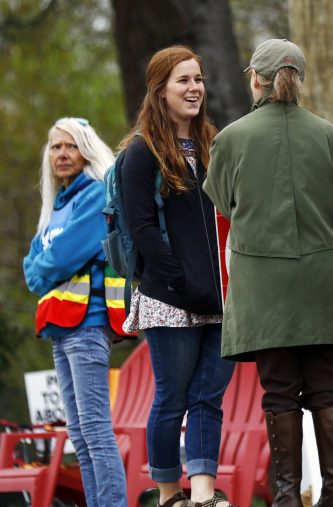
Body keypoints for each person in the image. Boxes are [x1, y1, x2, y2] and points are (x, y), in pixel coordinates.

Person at [203, 39, 333, 507]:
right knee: (327, 385)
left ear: (256, 79)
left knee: (278, 391)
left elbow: (222, 203)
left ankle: (288, 496)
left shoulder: (230, 138)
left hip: (263, 283)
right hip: (322, 282)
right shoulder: (330, 136)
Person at [119, 45, 235, 507]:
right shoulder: (141, 152)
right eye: (183, 80)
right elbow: (142, 228)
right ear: (159, 90)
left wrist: (225, 283)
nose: (194, 89)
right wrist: (184, 285)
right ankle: (169, 494)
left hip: (223, 297)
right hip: (170, 299)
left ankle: (203, 493)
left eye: (199, 79)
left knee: (208, 398)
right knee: (170, 399)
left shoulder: (215, 144)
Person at [23, 117, 130, 506]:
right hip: (60, 329)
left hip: (88, 325)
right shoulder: (56, 206)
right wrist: (44, 267)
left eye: (70, 145)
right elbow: (33, 265)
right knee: (79, 433)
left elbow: (56, 261)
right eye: (55, 147)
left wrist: (45, 267)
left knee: (96, 429)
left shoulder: (94, 194)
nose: (62, 154)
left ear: (85, 149)